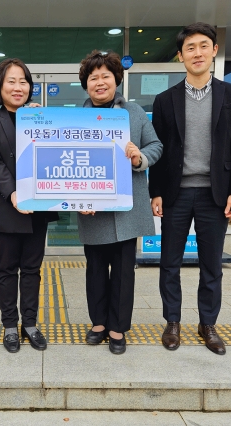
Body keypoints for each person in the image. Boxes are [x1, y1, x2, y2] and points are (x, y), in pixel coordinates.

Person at [149, 22, 231, 355]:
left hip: (215, 194)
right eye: (190, 47)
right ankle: (173, 322)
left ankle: (208, 324)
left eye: (203, 46)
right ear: (181, 56)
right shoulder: (165, 100)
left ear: (214, 50)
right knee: (170, 262)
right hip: (176, 193)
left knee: (211, 263)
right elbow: (158, 148)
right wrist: (156, 192)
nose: (197, 52)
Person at [77, 50, 163, 354]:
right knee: (96, 269)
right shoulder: (76, 117)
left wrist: (139, 156)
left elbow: (156, 146)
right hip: (93, 209)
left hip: (127, 207)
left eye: (105, 76)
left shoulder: (136, 113)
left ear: (117, 79)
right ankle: (98, 323)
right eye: (93, 78)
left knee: (125, 271)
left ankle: (117, 328)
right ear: (85, 85)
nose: (100, 82)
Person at [0, 58, 59, 353]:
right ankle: (10, 326)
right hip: (5, 206)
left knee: (33, 269)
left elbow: (53, 156)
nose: (18, 87)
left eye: (23, 81)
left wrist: (41, 122)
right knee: (7, 269)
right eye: (11, 81)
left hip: (38, 205)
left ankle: (31, 324)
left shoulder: (39, 117)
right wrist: (13, 193)